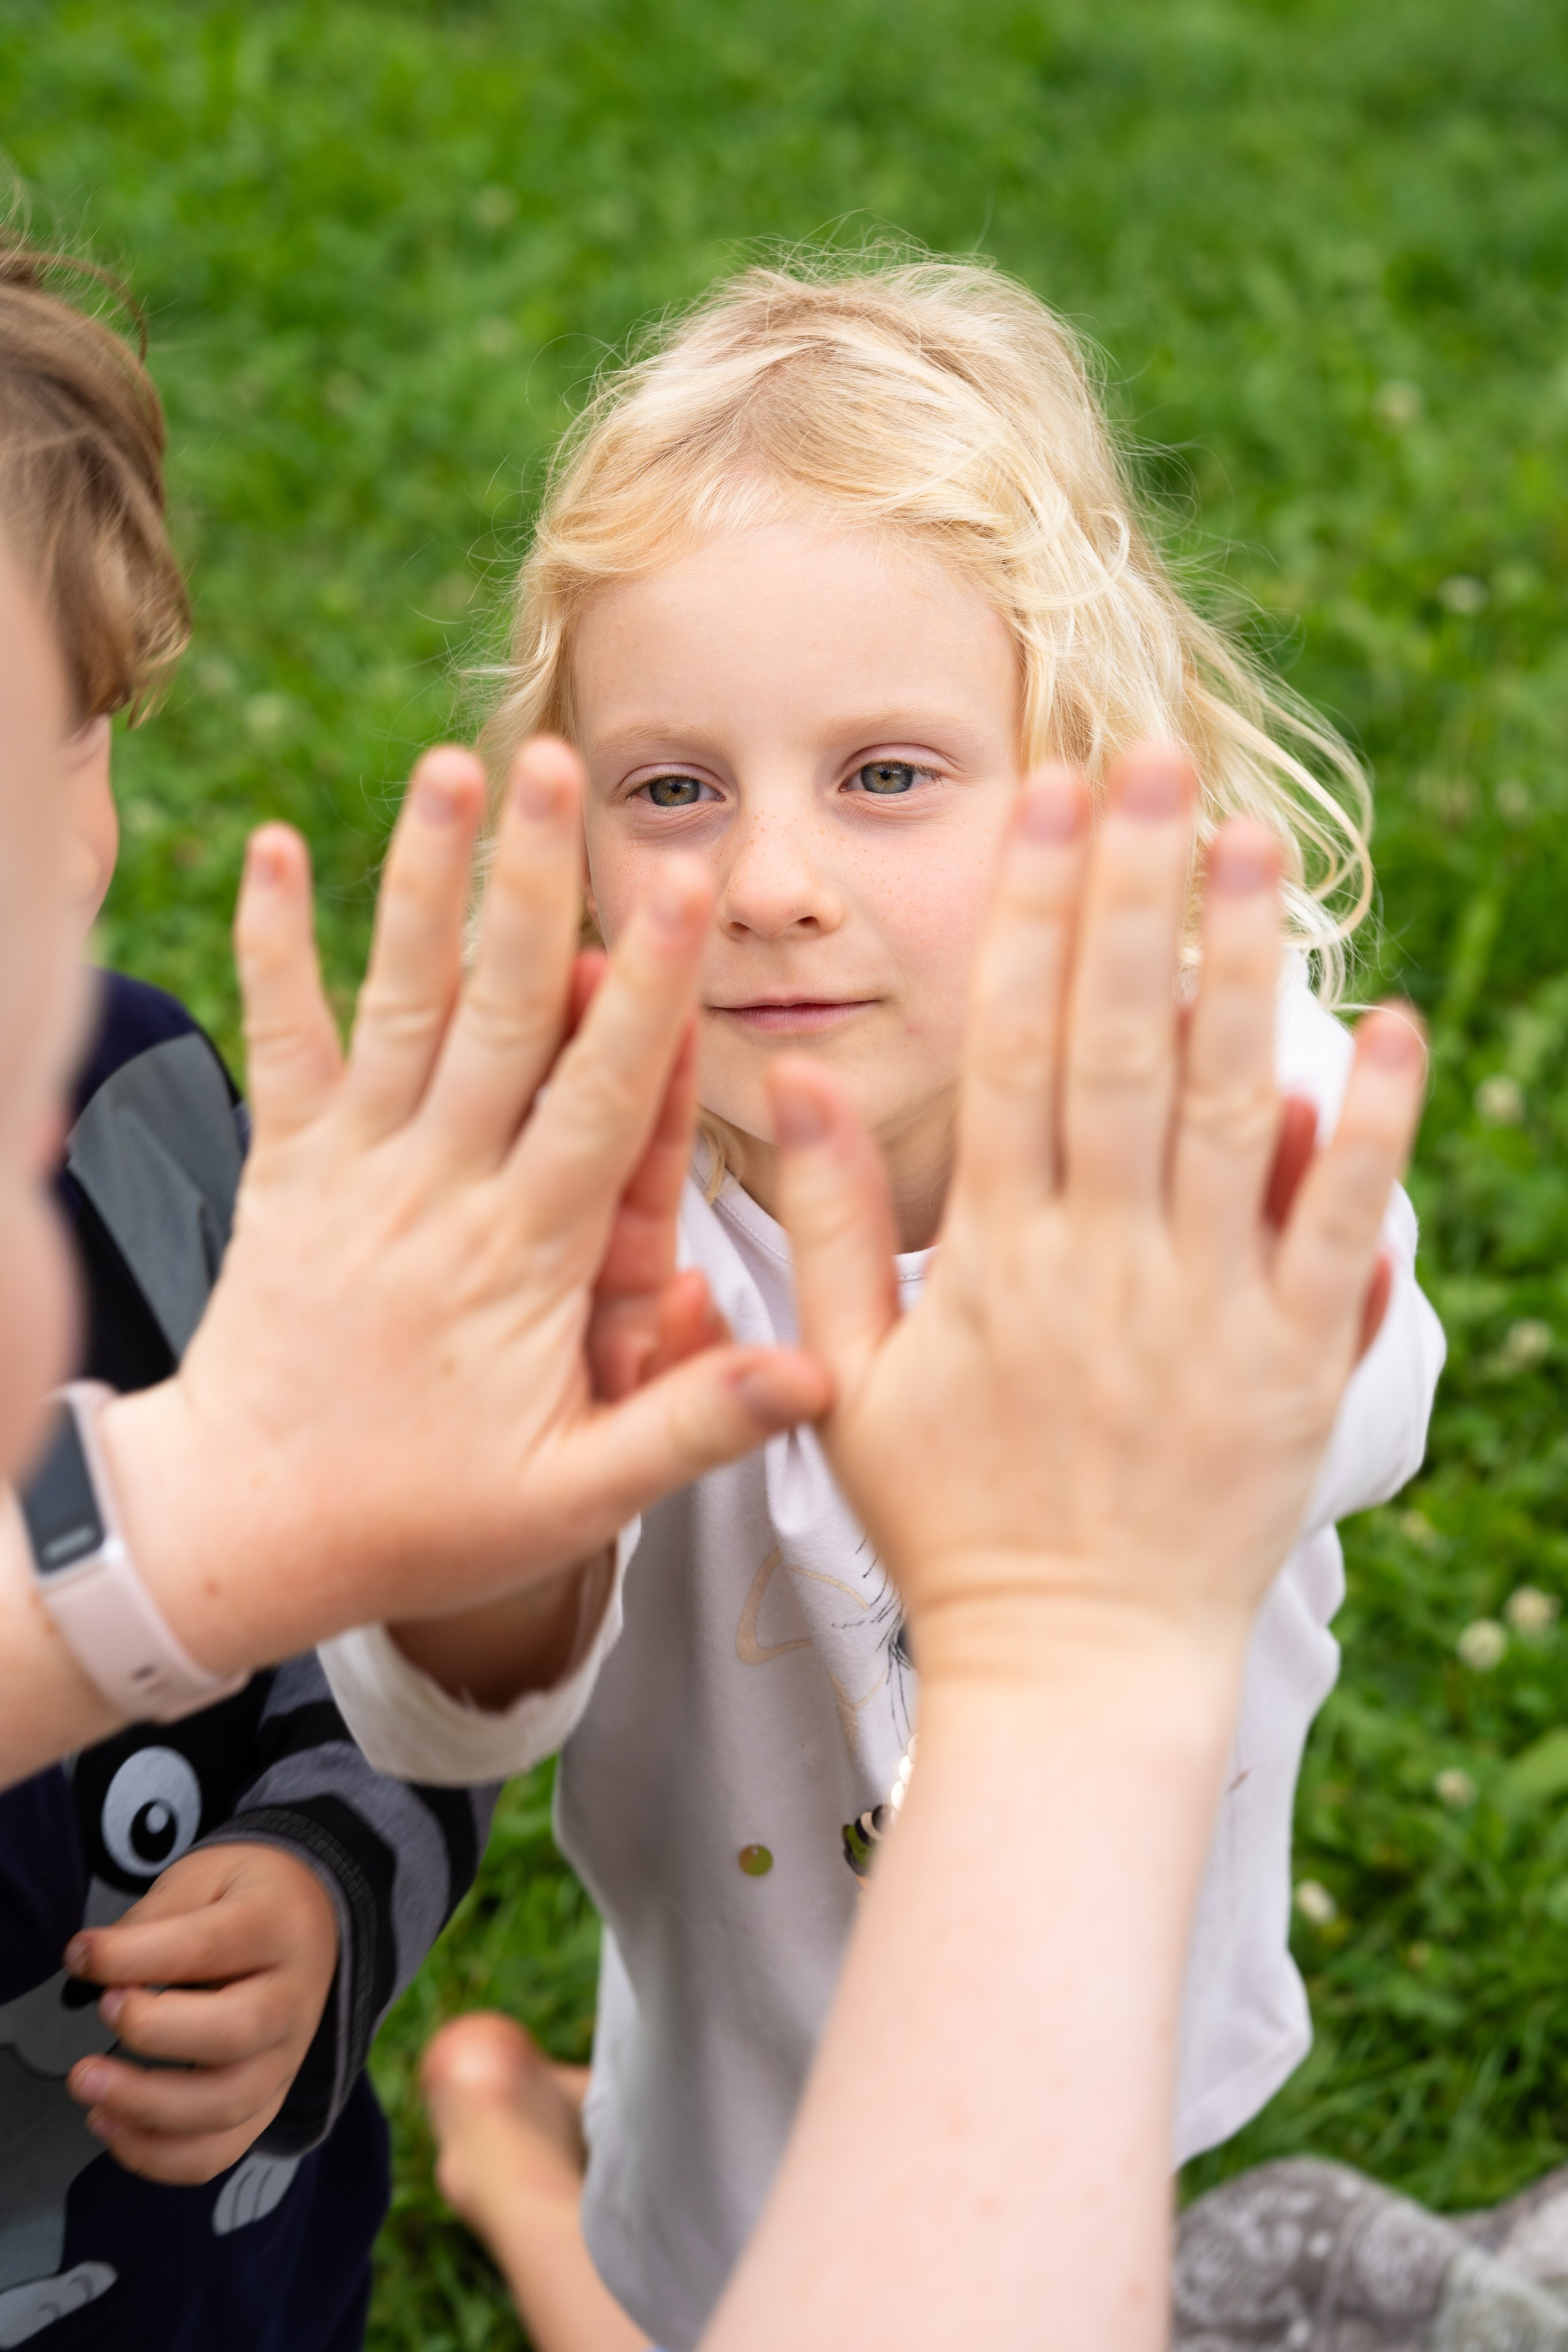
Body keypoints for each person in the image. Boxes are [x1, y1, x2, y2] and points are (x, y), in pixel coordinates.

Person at [314, 254, 1447, 2352]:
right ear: (571, 823)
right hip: (735, 2092)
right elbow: (442, 1706)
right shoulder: (594, 1207)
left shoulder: (1197, 1094)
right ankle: (517, 2153)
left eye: (885, 774)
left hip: (1120, 1998)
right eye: (677, 788)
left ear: (1077, 780)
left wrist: (1206, 1334)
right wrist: (522, 1492)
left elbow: (1371, 1387)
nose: (768, 880)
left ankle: (498, 2126)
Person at [0, 238, 835, 1795]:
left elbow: (375, 1673)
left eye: (67, 738)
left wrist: (318, 1871)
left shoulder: (137, 1113)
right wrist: (214, 1523)